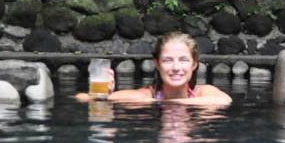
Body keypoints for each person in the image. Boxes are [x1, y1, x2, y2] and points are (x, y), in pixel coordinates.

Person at [75, 31, 232, 106]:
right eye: (167, 60)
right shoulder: (145, 95)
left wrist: (165, 103)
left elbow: (224, 100)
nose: (176, 67)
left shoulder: (203, 92)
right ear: (156, 63)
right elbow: (81, 98)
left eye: (183, 60)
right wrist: (102, 96)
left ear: (194, 64)